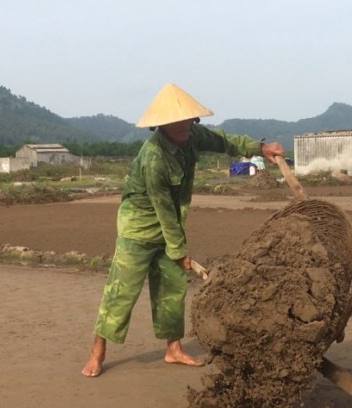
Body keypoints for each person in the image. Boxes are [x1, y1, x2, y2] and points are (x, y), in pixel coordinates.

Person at [82, 83, 284, 377]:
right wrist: (179, 252)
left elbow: (225, 141)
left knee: (172, 287)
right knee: (121, 289)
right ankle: (97, 350)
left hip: (170, 222)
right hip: (138, 226)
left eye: (188, 120)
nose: (184, 127)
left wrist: (259, 148)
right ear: (161, 126)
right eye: (177, 123)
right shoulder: (153, 159)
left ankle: (173, 349)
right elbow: (163, 208)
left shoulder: (191, 135)